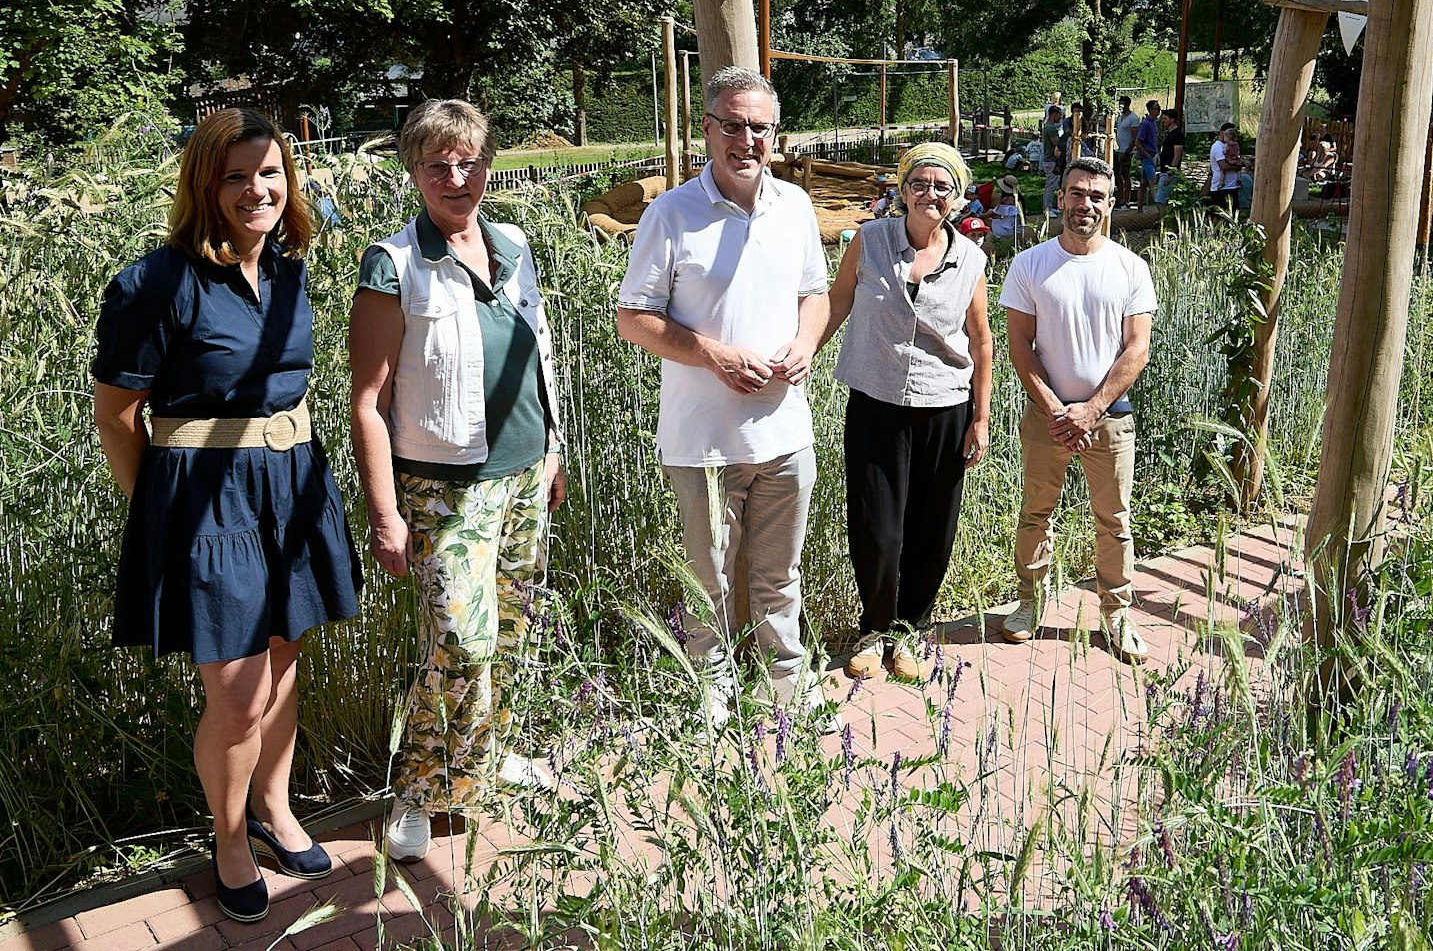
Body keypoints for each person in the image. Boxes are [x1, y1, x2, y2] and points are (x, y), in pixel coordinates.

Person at [92, 108, 361, 923]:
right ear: (204, 182)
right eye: (236, 175)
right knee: (240, 694)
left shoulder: (285, 266)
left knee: (282, 663)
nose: (257, 189)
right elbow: (115, 415)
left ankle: (279, 809)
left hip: (292, 489)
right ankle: (232, 833)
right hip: (207, 501)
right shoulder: (157, 283)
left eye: (270, 171)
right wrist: (164, 517)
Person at [349, 98, 566, 863]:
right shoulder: (395, 263)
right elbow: (367, 403)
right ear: (413, 170)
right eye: (437, 163)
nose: (455, 175)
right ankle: (414, 790)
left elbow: (538, 355)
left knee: (509, 633)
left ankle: (484, 757)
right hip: (445, 490)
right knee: (457, 643)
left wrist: (553, 447)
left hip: (522, 477)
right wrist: (385, 516)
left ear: (488, 164)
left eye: (469, 160)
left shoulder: (513, 244)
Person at [616, 66, 833, 727]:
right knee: (707, 581)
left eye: (759, 126)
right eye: (732, 124)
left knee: (778, 578)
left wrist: (806, 343)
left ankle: (784, 689)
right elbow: (632, 316)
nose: (746, 139)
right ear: (708, 129)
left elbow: (815, 295)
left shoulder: (793, 205)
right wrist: (713, 354)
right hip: (703, 444)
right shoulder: (670, 213)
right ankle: (710, 695)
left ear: (776, 134)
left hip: (785, 435)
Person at [821, 143, 994, 680]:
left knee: (931, 525)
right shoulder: (870, 241)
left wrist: (981, 417)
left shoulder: (971, 259)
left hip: (945, 406)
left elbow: (981, 341)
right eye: (919, 182)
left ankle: (909, 632)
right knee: (877, 523)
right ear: (902, 188)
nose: (930, 194)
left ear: (957, 195)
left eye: (942, 186)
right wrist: (799, 358)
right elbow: (837, 301)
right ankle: (874, 629)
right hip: (876, 402)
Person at [997, 156, 1156, 664]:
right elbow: (1020, 345)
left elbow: (1136, 349)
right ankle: (1028, 602)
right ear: (1060, 197)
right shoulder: (1030, 264)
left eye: (1096, 196)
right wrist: (1054, 408)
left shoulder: (1131, 268)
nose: (1084, 204)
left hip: (1109, 419)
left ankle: (1117, 612)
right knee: (1036, 512)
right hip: (1046, 418)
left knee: (1114, 520)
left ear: (1110, 205)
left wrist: (1090, 410)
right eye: (1076, 193)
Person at [1208, 122, 1245, 212]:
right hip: (1221, 188)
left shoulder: (1234, 145)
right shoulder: (1218, 146)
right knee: (1220, 214)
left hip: (1232, 186)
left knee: (1232, 213)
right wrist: (1238, 166)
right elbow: (1223, 166)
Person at [1154, 108, 1186, 207]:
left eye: (1165, 119)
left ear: (1172, 120)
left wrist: (1170, 174)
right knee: (1161, 201)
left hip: (1169, 173)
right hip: (1163, 170)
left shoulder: (1177, 135)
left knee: (1161, 201)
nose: (1163, 121)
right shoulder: (1169, 134)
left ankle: (1165, 221)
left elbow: (1177, 156)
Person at [1112, 96, 1140, 207]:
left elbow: (1134, 136)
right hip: (1118, 149)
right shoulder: (1120, 117)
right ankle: (1119, 196)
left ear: (1128, 104)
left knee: (1126, 174)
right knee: (1117, 174)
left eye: (1122, 104)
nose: (1121, 106)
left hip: (1126, 150)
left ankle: (1126, 199)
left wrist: (1129, 150)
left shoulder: (1133, 118)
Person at [1038, 104, 1065, 215]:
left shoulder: (1047, 126)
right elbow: (1057, 143)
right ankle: (1047, 208)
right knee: (1050, 186)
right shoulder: (1051, 128)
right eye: (1059, 115)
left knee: (1052, 185)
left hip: (1049, 160)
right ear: (1054, 114)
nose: (1060, 118)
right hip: (1050, 160)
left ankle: (1049, 206)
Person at [1136, 100, 1161, 204]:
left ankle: (1140, 208)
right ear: (1151, 110)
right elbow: (1138, 142)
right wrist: (1147, 155)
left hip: (1153, 155)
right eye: (1157, 108)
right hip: (1148, 157)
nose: (1159, 110)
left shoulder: (1154, 122)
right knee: (1153, 182)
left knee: (1144, 183)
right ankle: (1158, 205)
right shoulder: (1145, 124)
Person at [990, 175, 1022, 243]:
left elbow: (992, 213)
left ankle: (992, 236)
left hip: (1008, 230)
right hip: (1018, 228)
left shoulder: (1006, 200)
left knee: (988, 219)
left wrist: (980, 216)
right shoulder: (1019, 199)